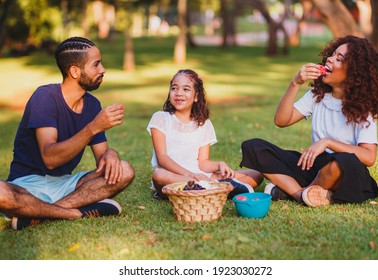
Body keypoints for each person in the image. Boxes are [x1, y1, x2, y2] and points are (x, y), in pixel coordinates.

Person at [0, 37, 134, 230]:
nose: (103, 69)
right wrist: (94, 127)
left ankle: (39, 214)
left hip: (65, 186)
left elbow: (102, 160)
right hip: (26, 186)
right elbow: (50, 158)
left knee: (125, 170)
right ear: (74, 71)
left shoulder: (92, 105)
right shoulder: (44, 97)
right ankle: (75, 212)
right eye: (96, 64)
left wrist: (111, 154)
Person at [240, 35, 378, 207]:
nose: (330, 59)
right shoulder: (317, 95)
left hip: (344, 171)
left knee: (341, 162)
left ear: (354, 72)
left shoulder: (363, 107)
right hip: (313, 166)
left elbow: (369, 157)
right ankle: (302, 195)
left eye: (338, 59)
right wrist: (295, 83)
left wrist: (327, 143)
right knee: (254, 147)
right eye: (332, 54)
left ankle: (298, 191)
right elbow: (281, 120)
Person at [147, 69, 263, 200]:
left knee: (255, 174)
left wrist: (219, 165)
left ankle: (208, 187)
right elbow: (162, 158)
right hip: (174, 178)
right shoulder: (161, 118)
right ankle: (215, 188)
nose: (179, 93)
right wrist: (190, 175)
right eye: (174, 88)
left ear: (196, 96)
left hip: (200, 176)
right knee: (159, 175)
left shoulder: (204, 124)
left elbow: (203, 163)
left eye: (186, 89)